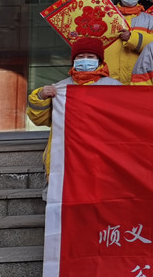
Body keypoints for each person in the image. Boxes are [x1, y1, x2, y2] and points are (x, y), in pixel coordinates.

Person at [26, 37, 121, 180]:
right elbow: (40, 120)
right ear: (74, 60)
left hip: (101, 155)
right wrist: (40, 97)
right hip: (67, 156)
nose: (85, 60)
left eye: (90, 57)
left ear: (99, 60)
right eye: (80, 56)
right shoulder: (60, 88)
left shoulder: (114, 87)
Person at [104, 0, 153, 84]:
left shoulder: (151, 21)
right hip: (109, 80)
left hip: (140, 81)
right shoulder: (106, 18)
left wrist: (133, 38)